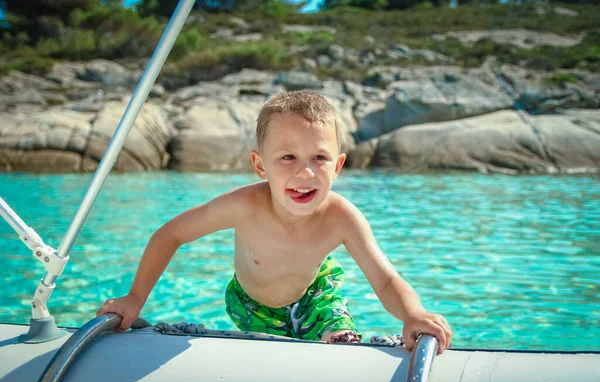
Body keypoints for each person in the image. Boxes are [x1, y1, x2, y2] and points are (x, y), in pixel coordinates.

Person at [97, 90, 452, 352]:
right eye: (287, 157)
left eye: (319, 157)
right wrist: (134, 298)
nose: (305, 172)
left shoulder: (341, 216)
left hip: (316, 296)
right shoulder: (243, 206)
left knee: (341, 341)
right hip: (252, 304)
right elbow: (170, 234)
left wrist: (413, 314)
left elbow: (386, 280)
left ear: (338, 166)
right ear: (260, 165)